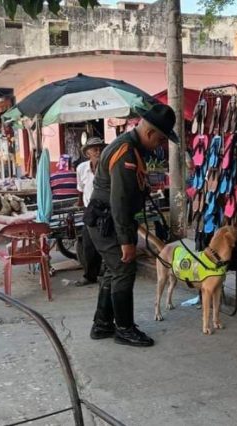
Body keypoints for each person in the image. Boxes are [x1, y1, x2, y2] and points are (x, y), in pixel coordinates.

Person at [85, 104, 178, 347]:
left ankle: (102, 324)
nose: (160, 145)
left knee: (111, 270)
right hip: (107, 220)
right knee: (124, 269)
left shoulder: (131, 146)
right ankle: (124, 329)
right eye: (160, 140)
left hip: (105, 218)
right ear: (149, 133)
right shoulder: (126, 151)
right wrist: (127, 241)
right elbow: (120, 201)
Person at [76, 137, 106, 286]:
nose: (98, 151)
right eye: (94, 149)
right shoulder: (81, 168)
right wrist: (81, 204)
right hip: (90, 210)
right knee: (88, 244)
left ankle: (107, 272)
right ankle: (90, 275)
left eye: (100, 148)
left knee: (106, 242)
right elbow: (80, 189)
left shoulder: (107, 166)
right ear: (88, 153)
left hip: (105, 209)